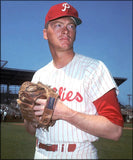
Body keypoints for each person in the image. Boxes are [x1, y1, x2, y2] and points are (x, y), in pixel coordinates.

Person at [24, 2, 124, 159]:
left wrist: (64, 113)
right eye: (58, 25)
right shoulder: (39, 76)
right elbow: (31, 130)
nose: (65, 30)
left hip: (77, 154)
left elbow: (115, 130)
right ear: (45, 33)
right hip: (40, 152)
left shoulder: (94, 69)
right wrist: (31, 120)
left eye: (71, 26)